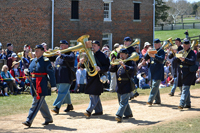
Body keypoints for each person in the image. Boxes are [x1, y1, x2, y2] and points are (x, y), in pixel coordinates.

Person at [22, 44, 56, 127]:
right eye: (35, 50)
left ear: (42, 51)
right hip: (34, 84)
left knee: (36, 102)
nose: (35, 52)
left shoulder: (45, 61)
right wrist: (27, 72)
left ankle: (29, 120)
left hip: (42, 85)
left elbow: (51, 73)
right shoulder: (33, 60)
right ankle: (48, 118)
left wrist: (53, 85)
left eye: (38, 50)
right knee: (41, 103)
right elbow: (31, 71)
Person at [81, 40, 110, 117]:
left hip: (98, 77)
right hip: (90, 76)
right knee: (93, 93)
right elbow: (83, 66)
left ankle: (89, 110)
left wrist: (100, 68)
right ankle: (98, 110)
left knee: (94, 94)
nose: (93, 47)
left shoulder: (103, 56)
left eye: (94, 46)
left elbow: (107, 67)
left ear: (98, 47)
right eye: (92, 45)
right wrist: (82, 62)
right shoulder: (88, 54)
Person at [50, 40, 75, 114]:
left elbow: (71, 58)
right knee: (65, 91)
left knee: (61, 91)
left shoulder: (70, 52)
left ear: (67, 46)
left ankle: (57, 107)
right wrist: (47, 54)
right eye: (60, 45)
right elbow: (51, 58)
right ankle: (69, 105)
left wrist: (61, 55)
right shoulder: (59, 54)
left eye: (63, 45)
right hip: (58, 75)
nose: (61, 46)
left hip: (66, 75)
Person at [110, 48, 134, 122]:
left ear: (127, 55)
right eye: (120, 54)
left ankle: (119, 115)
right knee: (122, 100)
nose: (121, 56)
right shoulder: (118, 61)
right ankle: (128, 113)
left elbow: (133, 70)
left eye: (123, 54)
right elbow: (111, 70)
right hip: (119, 85)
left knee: (123, 102)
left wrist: (124, 66)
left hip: (126, 84)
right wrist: (113, 65)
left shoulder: (130, 61)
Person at [177, 39, 196, 109]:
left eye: (185, 45)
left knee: (185, 88)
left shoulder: (192, 53)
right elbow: (176, 61)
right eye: (183, 45)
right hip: (182, 72)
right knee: (184, 88)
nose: (184, 46)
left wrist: (184, 59)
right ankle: (188, 104)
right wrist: (177, 55)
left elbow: (192, 62)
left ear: (188, 45)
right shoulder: (182, 52)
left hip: (189, 73)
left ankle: (181, 103)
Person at [145, 39, 165, 106]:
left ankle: (150, 100)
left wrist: (154, 56)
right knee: (153, 86)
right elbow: (145, 58)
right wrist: (147, 52)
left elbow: (161, 59)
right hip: (152, 71)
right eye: (154, 44)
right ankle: (157, 100)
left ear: (160, 44)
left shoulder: (161, 51)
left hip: (158, 71)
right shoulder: (152, 50)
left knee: (154, 86)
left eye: (156, 44)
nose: (155, 45)